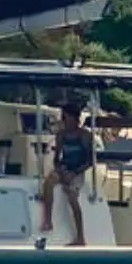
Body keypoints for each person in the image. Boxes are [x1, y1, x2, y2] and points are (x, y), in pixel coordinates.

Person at [39, 102, 95, 246]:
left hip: (77, 170)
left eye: (66, 117)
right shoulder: (61, 135)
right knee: (49, 181)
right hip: (64, 168)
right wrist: (61, 170)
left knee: (72, 196)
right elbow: (57, 159)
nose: (64, 120)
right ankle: (48, 220)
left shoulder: (85, 136)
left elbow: (90, 161)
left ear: (75, 118)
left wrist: (73, 173)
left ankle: (81, 238)